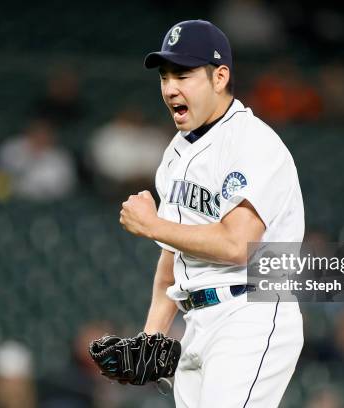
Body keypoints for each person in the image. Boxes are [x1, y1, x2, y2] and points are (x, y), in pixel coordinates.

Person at [118, 20, 305, 408]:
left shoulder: (251, 141)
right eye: (165, 77)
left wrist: (153, 223)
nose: (170, 88)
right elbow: (171, 256)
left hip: (251, 311)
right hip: (198, 322)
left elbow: (239, 245)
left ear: (220, 77)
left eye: (183, 75)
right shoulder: (174, 154)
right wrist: (151, 336)